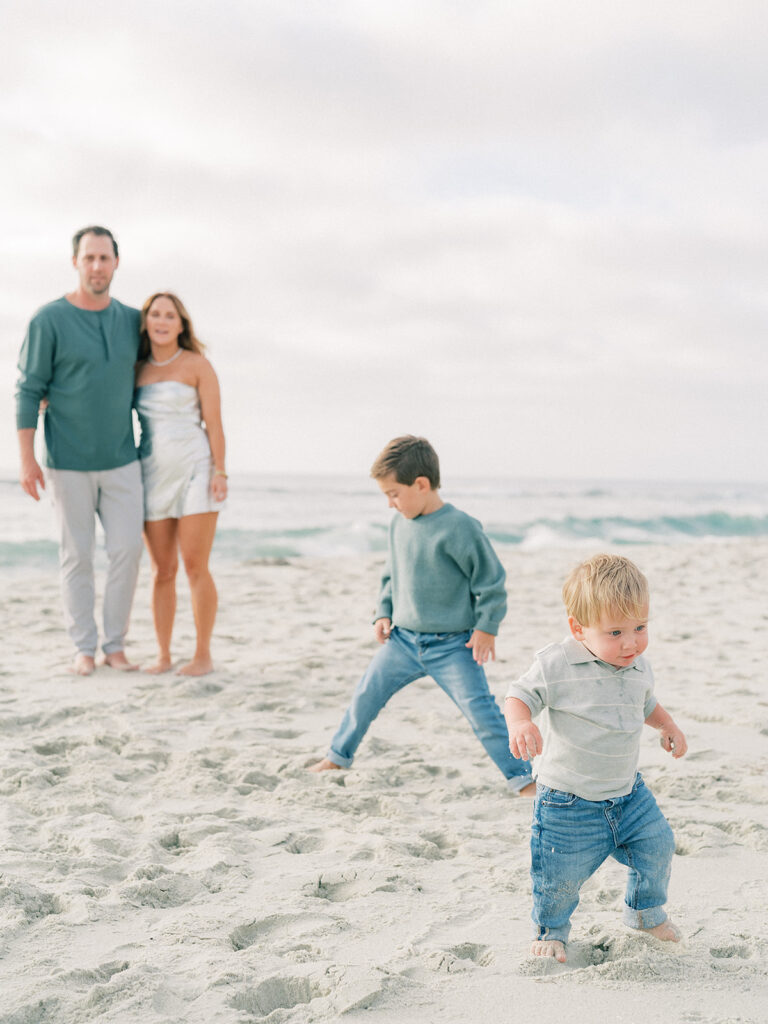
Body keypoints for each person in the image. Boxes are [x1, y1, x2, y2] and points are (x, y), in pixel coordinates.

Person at [310, 435, 534, 794]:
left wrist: (486, 627)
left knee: (484, 715)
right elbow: (391, 576)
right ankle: (338, 756)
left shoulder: (461, 527)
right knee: (365, 696)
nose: (389, 504)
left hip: (453, 647)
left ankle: (523, 779)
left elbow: (491, 582)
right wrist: (383, 612)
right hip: (402, 641)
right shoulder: (399, 525)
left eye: (394, 494)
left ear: (422, 484)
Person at [504, 554, 688, 964]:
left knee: (658, 846)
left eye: (641, 628)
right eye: (616, 632)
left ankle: (644, 914)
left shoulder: (638, 664)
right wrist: (520, 724)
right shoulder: (557, 663)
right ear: (578, 628)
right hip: (567, 802)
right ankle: (551, 930)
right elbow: (519, 695)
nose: (631, 643)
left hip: (628, 794)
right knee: (559, 877)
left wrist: (667, 726)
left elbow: (646, 702)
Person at [16, 226, 144, 676]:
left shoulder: (132, 320)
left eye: (104, 258)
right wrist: (27, 458)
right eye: (88, 258)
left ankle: (115, 645)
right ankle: (84, 649)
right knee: (77, 556)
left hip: (123, 459)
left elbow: (162, 360)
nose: (96, 266)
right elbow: (28, 389)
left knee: (128, 550)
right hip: (66, 461)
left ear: (116, 263)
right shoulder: (47, 320)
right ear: (75, 262)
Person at [134, 292, 227, 677]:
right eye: (155, 314)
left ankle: (202, 654)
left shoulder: (198, 364)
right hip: (151, 472)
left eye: (169, 315)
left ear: (181, 324)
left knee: (194, 566)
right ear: (146, 322)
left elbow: (214, 423)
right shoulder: (135, 368)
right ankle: (163, 655)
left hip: (195, 469)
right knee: (162, 570)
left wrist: (220, 470)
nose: (162, 320)